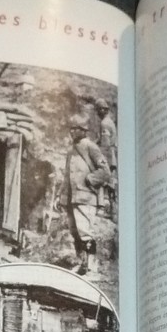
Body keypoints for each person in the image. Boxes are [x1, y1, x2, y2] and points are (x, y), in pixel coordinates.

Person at [61, 115, 111, 275]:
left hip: (86, 197)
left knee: (85, 232)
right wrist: (62, 197)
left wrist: (90, 179)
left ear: (83, 131)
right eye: (71, 128)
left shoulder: (91, 147)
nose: (72, 131)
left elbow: (105, 172)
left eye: (76, 129)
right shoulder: (70, 150)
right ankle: (83, 264)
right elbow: (67, 176)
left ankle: (92, 266)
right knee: (75, 233)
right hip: (72, 198)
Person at [95, 98, 118, 221]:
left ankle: (101, 208)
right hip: (112, 156)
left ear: (104, 109)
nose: (98, 112)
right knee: (111, 184)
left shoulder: (104, 123)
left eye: (99, 109)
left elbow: (105, 144)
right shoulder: (110, 122)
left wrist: (100, 159)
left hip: (107, 155)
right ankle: (113, 212)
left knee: (101, 181)